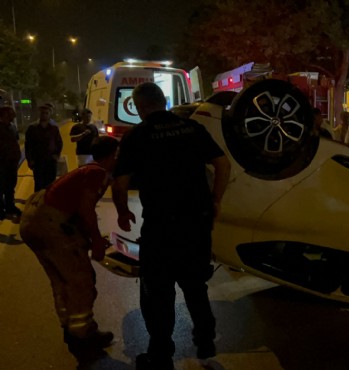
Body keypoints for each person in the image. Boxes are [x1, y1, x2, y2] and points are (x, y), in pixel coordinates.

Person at [112, 82, 231, 369]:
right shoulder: (192, 129)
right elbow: (223, 164)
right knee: (195, 286)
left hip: (161, 226)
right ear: (164, 101)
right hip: (196, 223)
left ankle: (161, 355)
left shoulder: (137, 136)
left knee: (160, 293)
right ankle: (205, 341)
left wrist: (123, 211)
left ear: (141, 107)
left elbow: (120, 182)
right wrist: (215, 199)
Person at [19, 136, 119, 350]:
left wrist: (89, 239)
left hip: (34, 220)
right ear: (114, 155)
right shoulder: (97, 172)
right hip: (49, 222)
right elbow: (85, 208)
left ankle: (70, 328)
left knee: (61, 278)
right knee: (80, 279)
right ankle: (83, 335)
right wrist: (96, 241)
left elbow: (74, 211)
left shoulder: (86, 170)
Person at [25, 104, 63, 192]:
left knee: (51, 184)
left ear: (49, 114)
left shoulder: (54, 128)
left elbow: (59, 142)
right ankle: (37, 203)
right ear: (39, 114)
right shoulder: (32, 128)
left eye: (46, 113)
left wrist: (57, 155)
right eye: (43, 113)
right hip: (38, 161)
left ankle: (47, 203)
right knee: (39, 184)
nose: (44, 115)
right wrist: (30, 160)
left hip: (51, 161)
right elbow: (28, 145)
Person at [0, 107, 22, 219]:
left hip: (12, 164)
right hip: (2, 164)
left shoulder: (12, 127)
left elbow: (16, 141)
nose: (14, 115)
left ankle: (10, 206)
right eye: (11, 113)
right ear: (4, 115)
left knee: (10, 186)